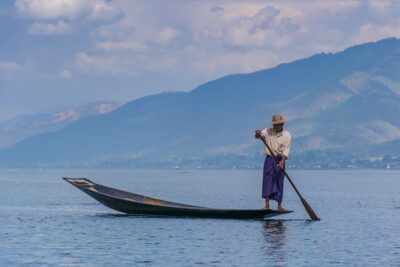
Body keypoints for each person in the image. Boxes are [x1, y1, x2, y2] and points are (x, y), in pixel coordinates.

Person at [255, 114, 291, 211]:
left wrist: (282, 161)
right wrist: (257, 133)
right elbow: (258, 136)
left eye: (278, 124)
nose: (276, 126)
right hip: (269, 159)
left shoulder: (287, 135)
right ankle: (267, 206)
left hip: (280, 159)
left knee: (279, 181)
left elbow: (286, 150)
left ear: (282, 124)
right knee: (268, 180)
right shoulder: (267, 131)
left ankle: (279, 206)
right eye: (274, 124)